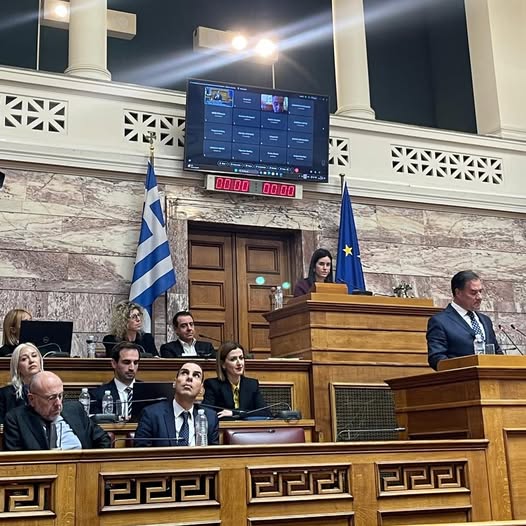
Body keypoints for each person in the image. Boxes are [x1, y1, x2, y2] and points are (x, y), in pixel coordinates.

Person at [3, 371, 111, 450]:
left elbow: (103, 439)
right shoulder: (17, 419)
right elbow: (16, 462)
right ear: (32, 399)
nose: (58, 404)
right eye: (51, 398)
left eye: (60, 396)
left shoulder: (75, 410)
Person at [427, 270, 502, 370]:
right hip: (462, 378)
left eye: (480, 291)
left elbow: (497, 352)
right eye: (473, 292)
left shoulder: (486, 320)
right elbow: (436, 358)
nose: (479, 297)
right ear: (458, 293)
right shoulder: (440, 321)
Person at [134, 362, 219, 447]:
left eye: (196, 375)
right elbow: (141, 452)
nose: (189, 377)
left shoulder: (210, 418)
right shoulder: (151, 414)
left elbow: (214, 453)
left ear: (201, 389)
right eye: (184, 373)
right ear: (175, 383)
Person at [203, 341, 269, 419]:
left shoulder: (252, 384)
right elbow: (206, 412)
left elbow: (265, 413)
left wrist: (234, 413)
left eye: (241, 358)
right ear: (223, 364)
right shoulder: (213, 385)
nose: (239, 363)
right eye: (233, 359)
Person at [91, 342, 141, 420]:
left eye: (135, 363)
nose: (132, 368)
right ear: (114, 363)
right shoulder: (97, 395)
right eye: (126, 362)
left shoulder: (150, 392)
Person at [0, 342, 43, 425]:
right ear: (17, 367)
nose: (31, 361)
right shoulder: (4, 395)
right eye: (24, 359)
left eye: (34, 356)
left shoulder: (52, 389)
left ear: (40, 361)